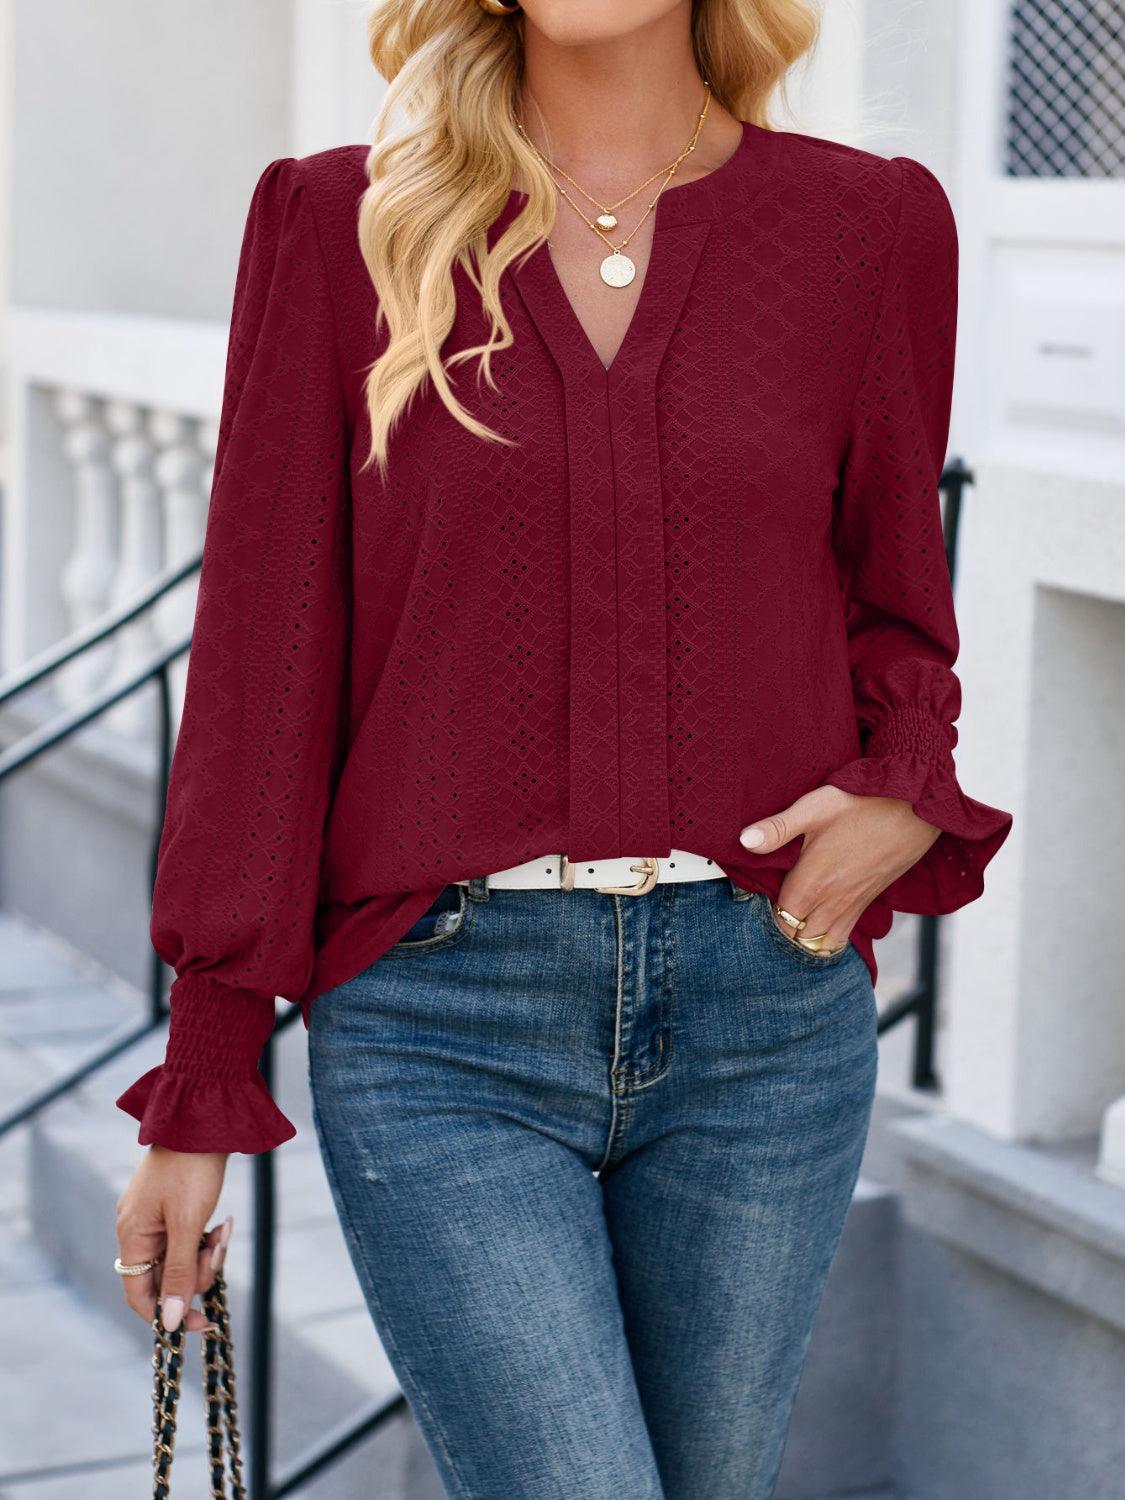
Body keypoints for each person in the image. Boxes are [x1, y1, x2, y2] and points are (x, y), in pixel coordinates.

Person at [112, 1, 1013, 1495]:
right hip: (439, 1017)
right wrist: (203, 1066)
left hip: (764, 1011)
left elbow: (896, 599)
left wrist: (904, 789)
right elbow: (265, 660)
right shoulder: (339, 224)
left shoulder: (866, 226)